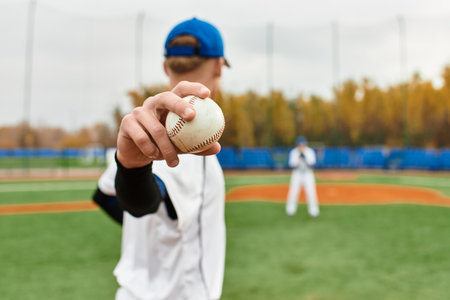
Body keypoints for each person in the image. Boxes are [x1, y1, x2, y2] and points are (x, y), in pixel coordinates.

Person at [92, 17, 229, 300]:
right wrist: (136, 178)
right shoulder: (187, 141)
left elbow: (107, 197)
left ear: (166, 66)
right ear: (218, 66)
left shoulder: (141, 126)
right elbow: (143, 202)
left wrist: (159, 224)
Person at [285, 136, 320, 218]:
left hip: (308, 174)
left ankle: (314, 212)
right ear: (297, 145)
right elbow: (292, 165)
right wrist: (298, 159)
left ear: (305, 144)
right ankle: (290, 212)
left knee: (311, 193)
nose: (301, 146)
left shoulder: (309, 151)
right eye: (300, 144)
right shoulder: (294, 152)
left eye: (303, 144)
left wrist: (305, 159)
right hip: (297, 174)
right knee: (293, 193)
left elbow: (312, 165)